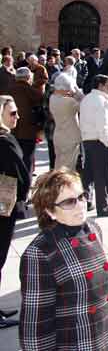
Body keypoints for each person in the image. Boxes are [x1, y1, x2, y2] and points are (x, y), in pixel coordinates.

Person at [20, 169, 108, 347]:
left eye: (81, 196)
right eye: (69, 202)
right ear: (50, 211)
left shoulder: (94, 230)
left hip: (103, 337)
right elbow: (36, 322)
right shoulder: (40, 252)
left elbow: (102, 294)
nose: (80, 205)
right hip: (75, 342)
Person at [0, 96, 29, 328]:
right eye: (12, 113)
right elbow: (21, 174)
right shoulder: (4, 141)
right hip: (3, 206)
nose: (17, 117)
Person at [80, 75, 108, 217]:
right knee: (102, 176)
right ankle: (102, 207)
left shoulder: (88, 99)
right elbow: (103, 125)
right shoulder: (100, 101)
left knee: (89, 175)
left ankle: (85, 202)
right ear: (101, 85)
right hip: (100, 142)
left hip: (89, 141)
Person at [8, 67, 44, 178]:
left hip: (11, 132)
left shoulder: (8, 91)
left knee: (13, 162)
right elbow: (42, 111)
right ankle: (24, 190)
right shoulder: (34, 93)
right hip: (28, 132)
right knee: (27, 162)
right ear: (28, 78)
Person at [50, 73, 83, 173]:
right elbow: (84, 104)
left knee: (59, 164)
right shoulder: (69, 102)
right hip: (71, 137)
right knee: (68, 168)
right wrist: (77, 90)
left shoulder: (53, 98)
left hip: (59, 135)